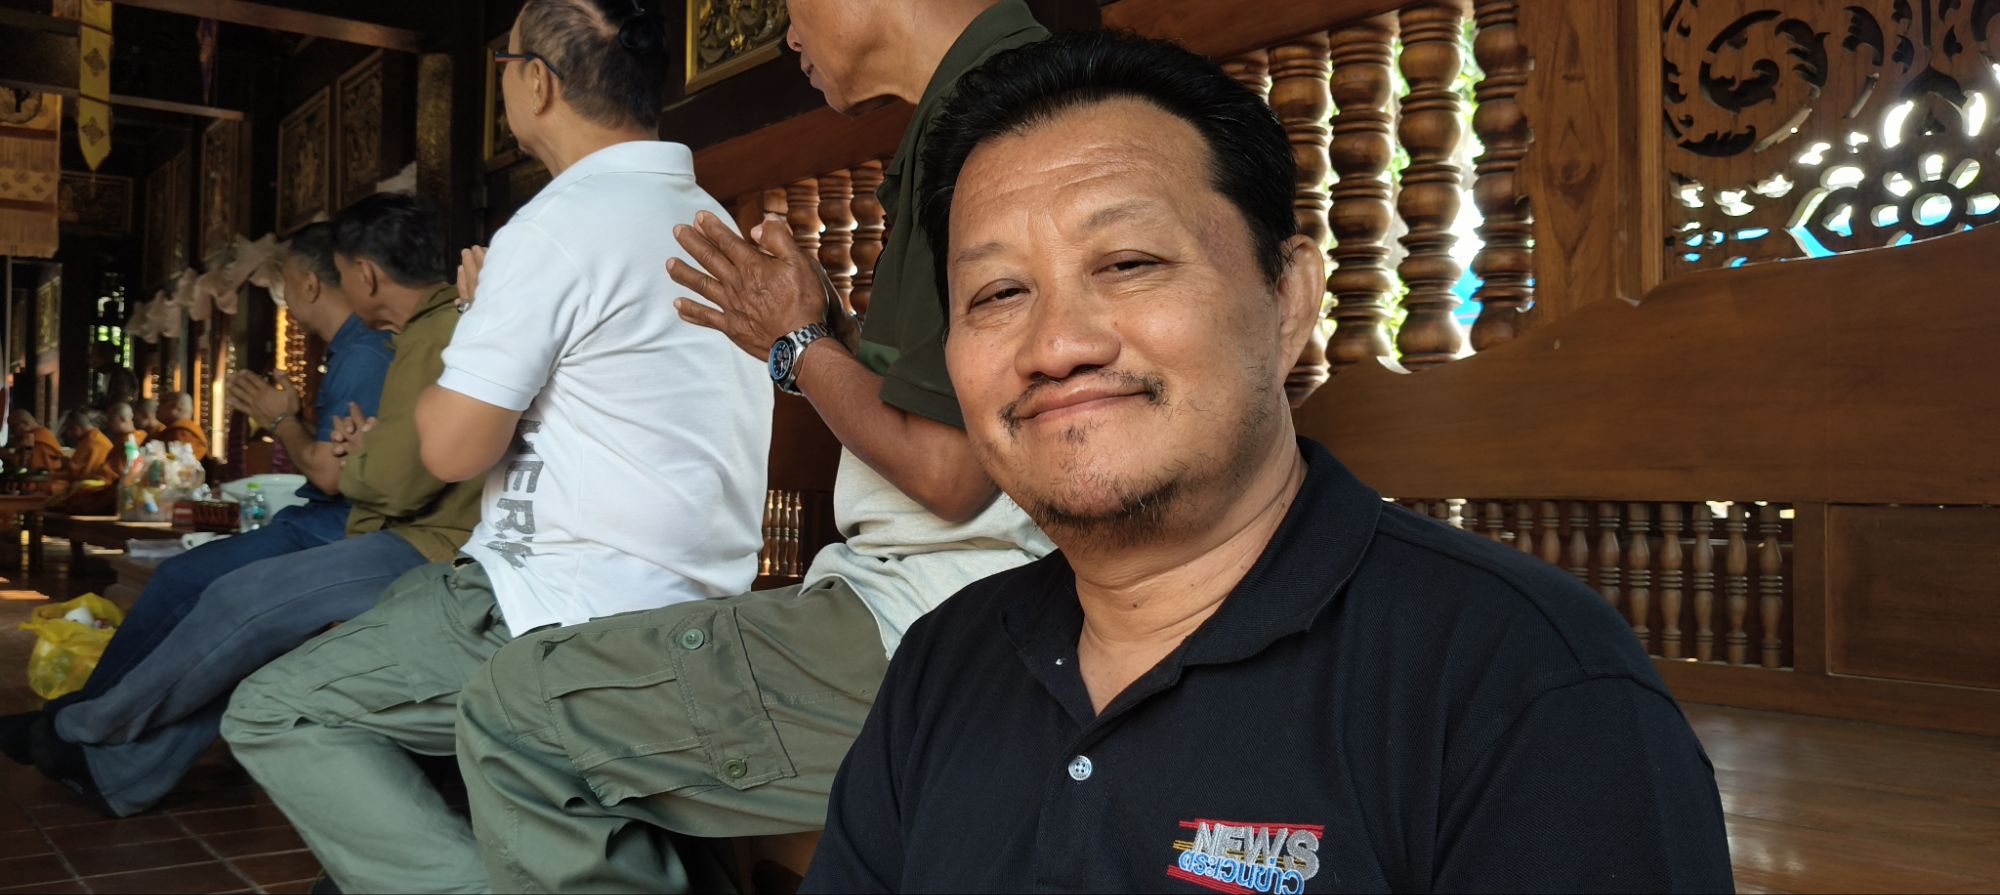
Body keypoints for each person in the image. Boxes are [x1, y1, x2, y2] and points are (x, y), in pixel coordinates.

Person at [799, 33, 1737, 894]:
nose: (1057, 344)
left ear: (1288, 299)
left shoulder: (1522, 687)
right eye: (999, 292)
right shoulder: (944, 663)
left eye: (1127, 262)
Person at [451, 1, 1064, 891]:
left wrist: (798, 345)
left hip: (942, 619)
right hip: (919, 593)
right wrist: (827, 333)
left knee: (515, 708)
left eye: (788, 7)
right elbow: (944, 409)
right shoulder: (975, 107)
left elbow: (947, 473)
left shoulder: (998, 125)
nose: (787, 36)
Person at [220, 6, 773, 891]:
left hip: (556, 606)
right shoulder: (707, 219)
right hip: (698, 603)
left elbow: (449, 451)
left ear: (536, 81)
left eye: (506, 63)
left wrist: (478, 319)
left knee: (276, 710)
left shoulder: (556, 226)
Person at [0, 207, 461, 819]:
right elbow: (396, 456)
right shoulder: (420, 334)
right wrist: (358, 448)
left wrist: (290, 424)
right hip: (380, 523)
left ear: (362, 274)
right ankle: (105, 759)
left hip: (394, 534)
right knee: (230, 615)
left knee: (229, 602)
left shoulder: (412, 341)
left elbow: (384, 480)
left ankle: (78, 728)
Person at [51, 409, 118, 513]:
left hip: (94, 488)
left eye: (69, 431)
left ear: (75, 429)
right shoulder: (93, 438)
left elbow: (79, 473)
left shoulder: (91, 442)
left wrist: (66, 463)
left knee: (52, 488)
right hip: (91, 483)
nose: (69, 435)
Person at [153, 392, 208, 460]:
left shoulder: (179, 433)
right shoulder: (185, 430)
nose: (157, 408)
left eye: (162, 403)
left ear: (175, 407)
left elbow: (172, 462)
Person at [87, 341, 139, 411]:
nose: (90, 359)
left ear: (106, 357)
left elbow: (119, 407)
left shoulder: (122, 376)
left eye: (94, 355)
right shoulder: (102, 375)